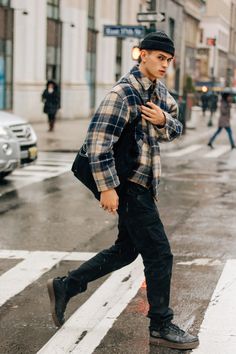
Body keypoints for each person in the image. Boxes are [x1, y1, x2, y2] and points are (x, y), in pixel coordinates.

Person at [47, 31, 199, 350]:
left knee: (127, 250)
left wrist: (162, 120)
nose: (164, 65)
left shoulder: (156, 92)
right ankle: (160, 324)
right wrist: (107, 188)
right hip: (128, 186)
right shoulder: (124, 94)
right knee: (159, 253)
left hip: (141, 183)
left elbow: (177, 128)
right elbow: (97, 143)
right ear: (142, 55)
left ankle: (66, 285)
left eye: (169, 60)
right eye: (159, 57)